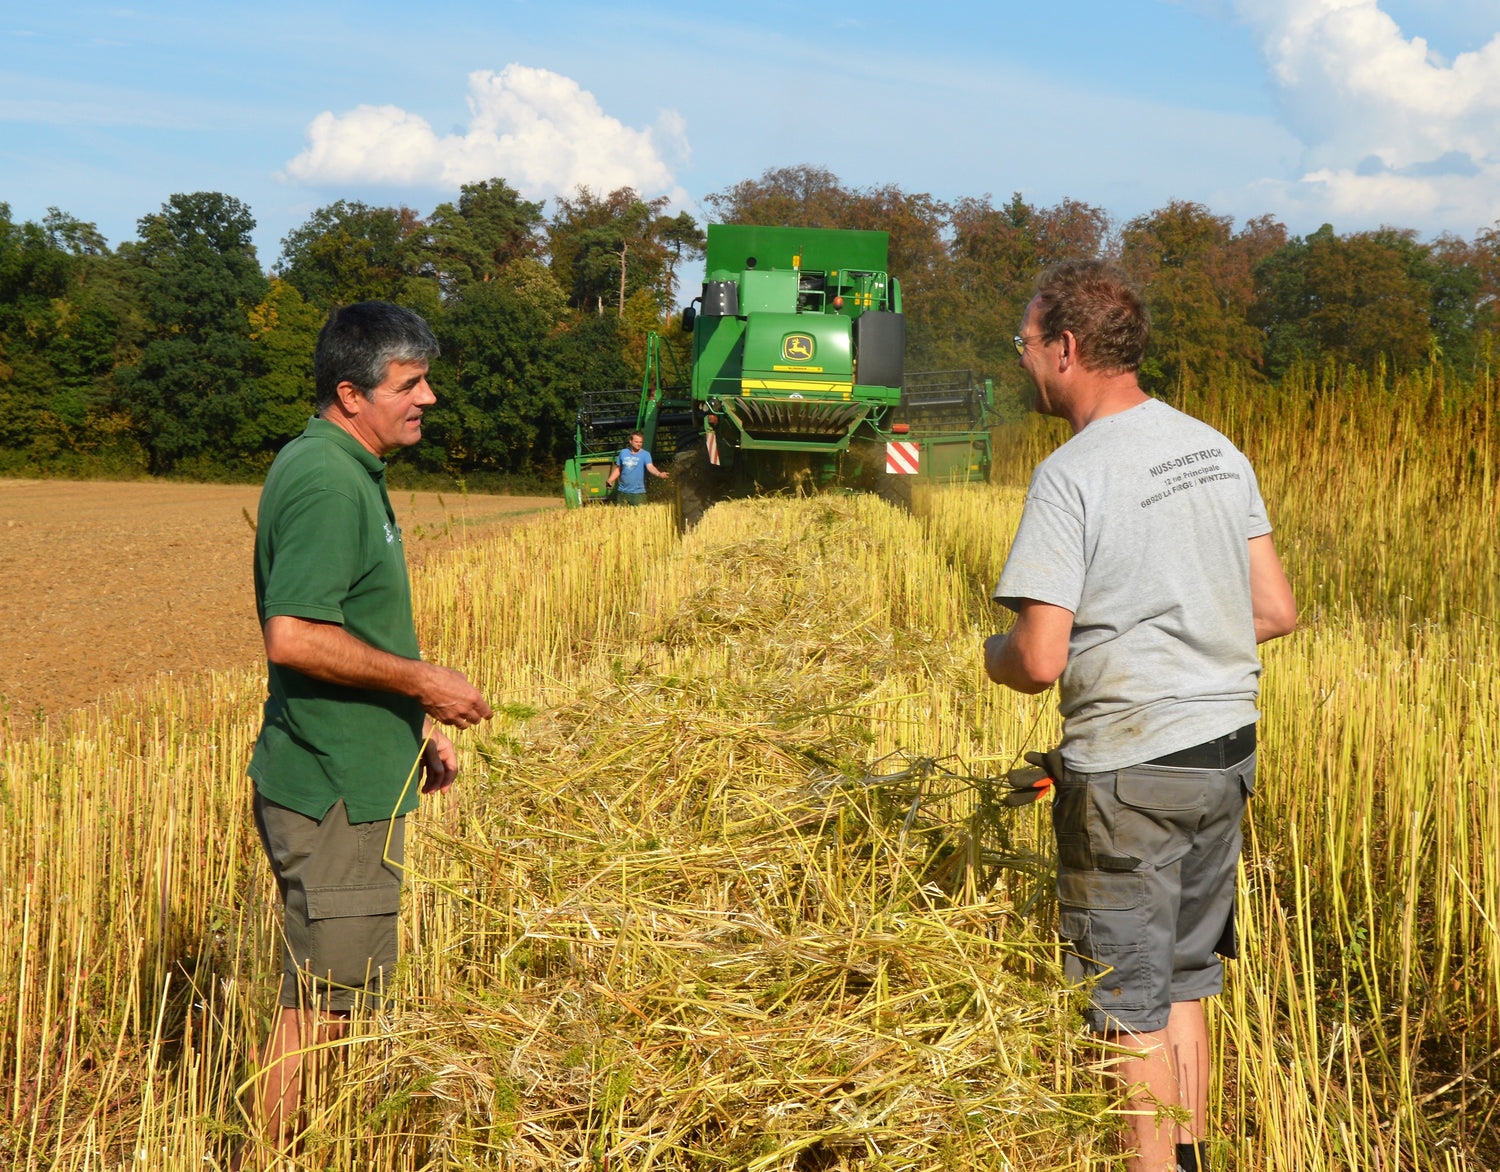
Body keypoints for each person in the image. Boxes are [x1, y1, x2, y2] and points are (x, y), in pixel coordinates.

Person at [983, 262, 1296, 1172]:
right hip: (1224, 755)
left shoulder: (1070, 474)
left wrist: (989, 653)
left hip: (1131, 774)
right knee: (1187, 981)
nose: (1025, 363)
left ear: (1066, 350)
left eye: (1027, 345)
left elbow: (1038, 660)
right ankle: (1190, 1157)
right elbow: (1272, 610)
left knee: (1125, 1003)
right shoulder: (1213, 448)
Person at [246, 301, 493, 1159]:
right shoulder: (324, 477)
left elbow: (346, 630)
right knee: (318, 1006)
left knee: (340, 994)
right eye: (410, 383)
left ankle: (315, 1144)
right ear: (351, 393)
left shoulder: (348, 468)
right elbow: (297, 635)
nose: (428, 397)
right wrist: (426, 681)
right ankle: (269, 1152)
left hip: (353, 770)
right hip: (332, 795)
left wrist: (409, 728)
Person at [606, 430, 668, 503]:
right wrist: (610, 480)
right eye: (636, 442)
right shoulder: (623, 452)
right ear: (630, 441)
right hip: (622, 492)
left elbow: (650, 467)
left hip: (638, 493)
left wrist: (659, 474)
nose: (639, 444)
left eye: (641, 442)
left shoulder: (645, 454)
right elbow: (618, 469)